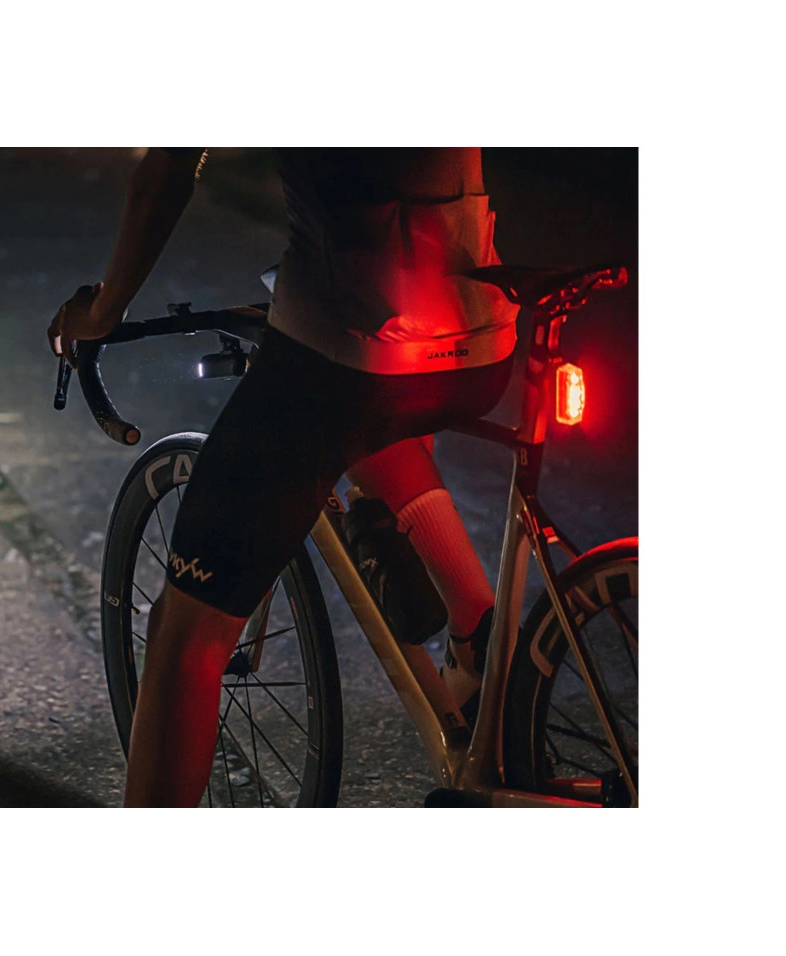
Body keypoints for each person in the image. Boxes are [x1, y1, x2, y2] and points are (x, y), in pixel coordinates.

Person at [47, 148, 519, 807]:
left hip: (347, 343)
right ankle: (476, 631)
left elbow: (169, 172)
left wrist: (102, 311)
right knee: (365, 417)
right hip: (482, 338)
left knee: (185, 638)